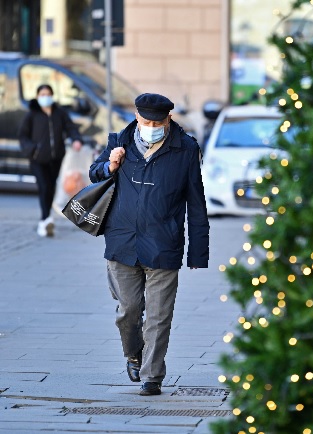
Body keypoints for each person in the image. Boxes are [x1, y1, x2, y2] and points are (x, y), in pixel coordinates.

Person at [89, 93, 209, 396]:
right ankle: (134, 355)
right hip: (122, 241)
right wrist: (110, 166)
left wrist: (198, 251)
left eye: (158, 121)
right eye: (146, 121)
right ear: (136, 117)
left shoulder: (186, 149)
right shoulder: (120, 140)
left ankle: (152, 376)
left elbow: (196, 203)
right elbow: (95, 172)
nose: (151, 126)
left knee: (159, 316)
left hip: (163, 243)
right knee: (128, 311)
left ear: (168, 119)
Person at [18, 84, 83, 237]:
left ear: (52, 96)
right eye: (42, 94)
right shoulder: (32, 115)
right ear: (37, 96)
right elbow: (23, 136)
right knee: (44, 187)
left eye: (48, 94)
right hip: (37, 160)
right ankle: (45, 220)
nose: (45, 97)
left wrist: (76, 139)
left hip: (55, 159)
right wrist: (33, 149)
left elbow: (71, 128)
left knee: (51, 187)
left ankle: (47, 219)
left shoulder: (60, 113)